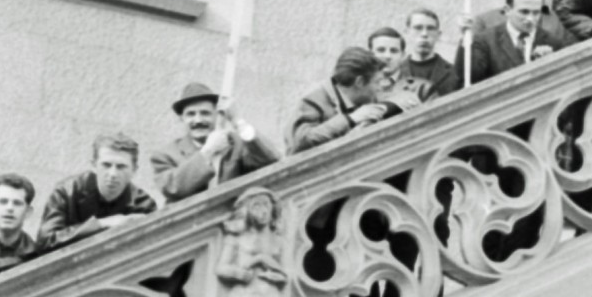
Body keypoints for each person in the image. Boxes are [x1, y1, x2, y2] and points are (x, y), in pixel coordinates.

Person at [150, 86, 279, 202]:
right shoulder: (164, 155)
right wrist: (207, 151)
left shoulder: (235, 144)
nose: (198, 120)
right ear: (181, 119)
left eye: (205, 113)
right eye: (191, 114)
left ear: (217, 115)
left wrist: (237, 120)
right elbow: (173, 188)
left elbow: (272, 161)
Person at [38, 135, 157, 240]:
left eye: (121, 167)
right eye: (106, 165)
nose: (112, 174)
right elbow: (46, 240)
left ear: (134, 170)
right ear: (94, 166)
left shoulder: (143, 204)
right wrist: (101, 223)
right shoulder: (66, 192)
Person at [464, 0, 576, 86]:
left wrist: (550, 65)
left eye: (536, 13)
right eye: (524, 12)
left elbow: (563, 83)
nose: (530, 19)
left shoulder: (553, 43)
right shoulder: (486, 41)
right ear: (507, 10)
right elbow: (467, 79)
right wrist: (465, 38)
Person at [288, 48, 394, 152]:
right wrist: (350, 119)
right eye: (377, 82)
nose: (380, 88)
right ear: (360, 82)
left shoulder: (367, 96)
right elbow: (300, 142)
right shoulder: (312, 102)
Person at [0, 176, 48, 280]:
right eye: (3, 202)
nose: (10, 208)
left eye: (17, 203)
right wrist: (13, 262)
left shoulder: (32, 251)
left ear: (28, 212)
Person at [398, 10, 460, 103]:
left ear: (438, 35)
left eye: (430, 28)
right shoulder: (396, 73)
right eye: (418, 28)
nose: (424, 34)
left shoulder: (454, 73)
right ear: (407, 33)